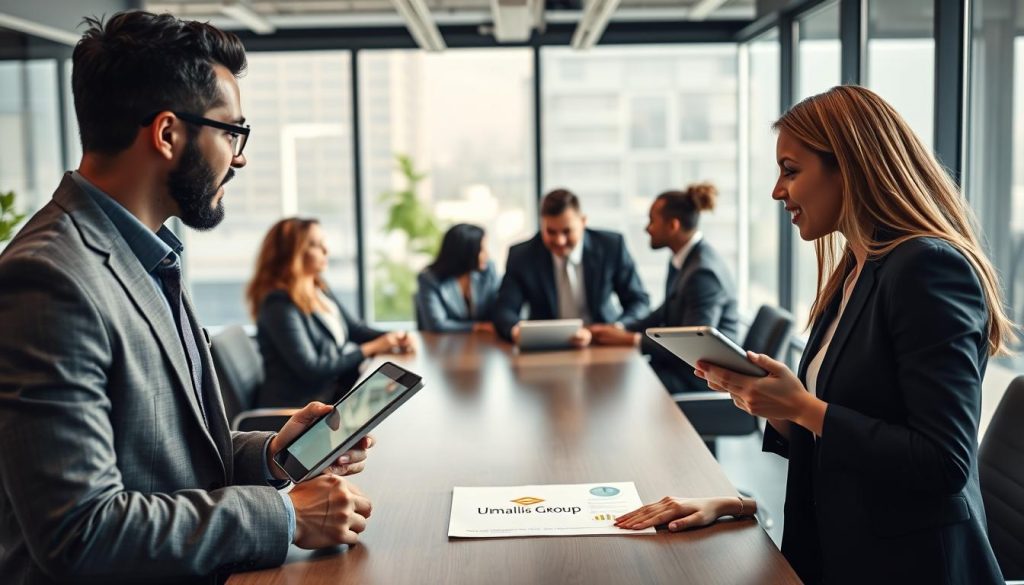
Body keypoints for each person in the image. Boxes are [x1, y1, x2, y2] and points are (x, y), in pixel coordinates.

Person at [0, 13, 375, 584]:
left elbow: (165, 461)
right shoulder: (48, 279)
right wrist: (284, 515)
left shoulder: (152, 255)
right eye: (231, 132)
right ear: (168, 133)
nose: (240, 156)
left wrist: (272, 453)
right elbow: (82, 531)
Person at [616, 85, 1012, 584]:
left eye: (790, 170)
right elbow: (849, 433)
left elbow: (942, 463)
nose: (777, 191)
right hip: (842, 545)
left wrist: (801, 406)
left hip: (911, 566)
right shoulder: (855, 268)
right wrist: (750, 479)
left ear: (847, 165)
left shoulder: (926, 268)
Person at [247, 217, 414, 408]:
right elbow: (312, 368)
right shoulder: (278, 305)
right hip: (300, 409)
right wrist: (372, 348)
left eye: (324, 242)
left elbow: (355, 329)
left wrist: (394, 337)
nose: (326, 250)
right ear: (292, 254)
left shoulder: (318, 287)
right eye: (316, 245)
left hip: (330, 395)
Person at [590, 183, 739, 392]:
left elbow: (694, 348)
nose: (647, 228)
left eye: (652, 221)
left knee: (621, 384)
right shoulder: (684, 259)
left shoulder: (703, 273)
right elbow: (665, 310)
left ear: (673, 226)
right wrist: (620, 328)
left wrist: (630, 340)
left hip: (699, 380)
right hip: (678, 368)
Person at [493, 188, 650, 347]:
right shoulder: (522, 256)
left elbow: (639, 301)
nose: (559, 240)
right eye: (551, 232)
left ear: (583, 221)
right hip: (546, 345)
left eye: (567, 231)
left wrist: (617, 328)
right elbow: (504, 310)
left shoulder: (611, 246)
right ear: (542, 224)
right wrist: (516, 332)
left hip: (602, 342)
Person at [415, 223, 499, 332]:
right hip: (443, 345)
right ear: (466, 252)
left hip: (484, 344)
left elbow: (500, 310)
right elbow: (437, 324)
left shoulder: (488, 271)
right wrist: (478, 327)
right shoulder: (429, 279)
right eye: (481, 250)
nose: (487, 255)